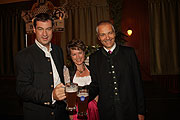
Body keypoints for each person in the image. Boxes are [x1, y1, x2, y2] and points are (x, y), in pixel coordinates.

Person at [15, 13, 69, 120]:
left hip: (61, 113)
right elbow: (22, 89)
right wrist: (51, 95)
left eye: (48, 29)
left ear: (53, 29)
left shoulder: (58, 50)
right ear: (34, 29)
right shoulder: (24, 55)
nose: (45, 34)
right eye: (40, 29)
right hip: (38, 114)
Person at [88, 20, 145, 120]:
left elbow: (138, 83)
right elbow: (95, 85)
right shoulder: (94, 58)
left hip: (129, 109)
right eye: (103, 35)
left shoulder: (129, 53)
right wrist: (80, 95)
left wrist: (141, 111)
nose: (107, 38)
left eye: (110, 33)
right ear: (98, 37)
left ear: (114, 34)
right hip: (106, 111)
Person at [64, 39, 99, 120]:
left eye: (80, 53)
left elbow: (99, 87)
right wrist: (71, 114)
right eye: (74, 54)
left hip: (94, 109)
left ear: (84, 53)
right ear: (70, 56)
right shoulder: (67, 72)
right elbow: (66, 96)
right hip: (77, 112)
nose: (78, 57)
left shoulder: (92, 69)